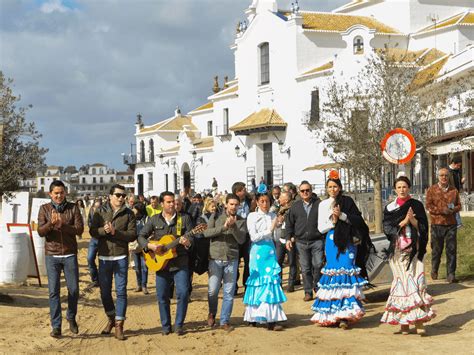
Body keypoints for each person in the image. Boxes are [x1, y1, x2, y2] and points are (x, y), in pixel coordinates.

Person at [310, 171, 370, 329]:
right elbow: (321, 228)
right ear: (326, 188)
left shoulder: (347, 201)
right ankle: (333, 313)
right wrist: (334, 222)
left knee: (346, 273)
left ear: (340, 187)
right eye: (329, 187)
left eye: (335, 186)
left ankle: (346, 315)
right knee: (334, 275)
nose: (332, 189)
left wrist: (342, 216)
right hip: (331, 241)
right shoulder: (322, 205)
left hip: (348, 242)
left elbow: (358, 220)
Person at [381, 174, 435, 335]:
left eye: (404, 187)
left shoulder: (416, 205)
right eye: (399, 187)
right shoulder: (390, 208)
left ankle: (418, 322)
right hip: (397, 251)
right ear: (395, 190)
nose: (402, 190)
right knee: (401, 285)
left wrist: (412, 221)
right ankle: (404, 323)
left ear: (409, 188)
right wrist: (402, 223)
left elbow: (424, 227)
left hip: (415, 251)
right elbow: (387, 228)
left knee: (416, 284)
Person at [138, 191, 193, 336]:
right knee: (162, 296)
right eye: (168, 202)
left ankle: (179, 325)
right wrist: (150, 246)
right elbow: (141, 236)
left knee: (183, 293)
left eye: (173, 201)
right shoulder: (154, 219)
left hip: (180, 263)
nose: (172, 204)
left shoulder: (185, 218)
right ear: (162, 204)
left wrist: (187, 243)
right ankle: (165, 326)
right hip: (160, 264)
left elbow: (193, 239)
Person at [90, 184, 137, 341]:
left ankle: (119, 325)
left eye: (123, 195)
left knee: (121, 291)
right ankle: (111, 317)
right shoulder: (100, 211)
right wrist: (104, 231)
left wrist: (116, 232)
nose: (121, 198)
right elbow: (92, 231)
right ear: (110, 196)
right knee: (104, 293)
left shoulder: (129, 214)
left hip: (121, 257)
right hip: (104, 257)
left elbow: (132, 235)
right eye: (118, 195)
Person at [37, 180, 84, 338]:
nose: (59, 195)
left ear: (66, 193)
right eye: (56, 193)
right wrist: (51, 223)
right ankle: (56, 326)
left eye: (61, 192)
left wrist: (63, 224)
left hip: (69, 254)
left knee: (74, 289)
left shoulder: (73, 208)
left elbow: (79, 229)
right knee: (53, 292)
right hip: (52, 255)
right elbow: (40, 231)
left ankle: (71, 316)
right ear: (50, 194)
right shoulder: (44, 209)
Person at [202, 193, 247, 331]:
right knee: (213, 291)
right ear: (226, 204)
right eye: (231, 204)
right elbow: (206, 233)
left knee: (228, 292)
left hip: (231, 259)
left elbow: (241, 240)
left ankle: (224, 321)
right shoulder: (215, 216)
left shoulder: (241, 221)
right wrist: (224, 227)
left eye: (236, 205)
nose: (233, 207)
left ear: (239, 206)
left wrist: (233, 227)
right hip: (215, 258)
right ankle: (212, 312)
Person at [244, 193, 287, 331]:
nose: (265, 204)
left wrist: (279, 226)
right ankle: (253, 316)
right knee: (257, 282)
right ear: (257, 202)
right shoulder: (252, 216)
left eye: (267, 201)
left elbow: (276, 237)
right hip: (257, 253)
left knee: (270, 282)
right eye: (262, 201)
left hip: (270, 251)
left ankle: (270, 319)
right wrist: (269, 229)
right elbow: (254, 237)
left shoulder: (273, 216)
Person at [285, 181, 323, 301]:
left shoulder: (319, 204)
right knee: (305, 269)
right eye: (302, 191)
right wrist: (288, 238)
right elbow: (289, 224)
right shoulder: (295, 206)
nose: (305, 192)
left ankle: (317, 287)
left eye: (307, 190)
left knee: (317, 265)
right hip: (301, 242)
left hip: (317, 240)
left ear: (311, 191)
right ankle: (308, 292)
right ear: (299, 192)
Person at [426, 168, 461, 283]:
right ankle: (434, 269)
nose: (444, 177)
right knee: (437, 249)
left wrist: (453, 210)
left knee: (451, 249)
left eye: (446, 175)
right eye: (441, 175)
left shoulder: (454, 190)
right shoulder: (431, 190)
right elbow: (428, 206)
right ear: (438, 177)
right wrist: (442, 210)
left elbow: (459, 205)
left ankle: (451, 274)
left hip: (451, 224)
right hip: (437, 224)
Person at [232, 182, 256, 294]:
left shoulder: (249, 201)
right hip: (235, 236)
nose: (245, 191)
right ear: (237, 192)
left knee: (248, 262)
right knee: (235, 262)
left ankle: (247, 285)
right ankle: (234, 286)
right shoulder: (232, 203)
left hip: (247, 236)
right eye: (243, 189)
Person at [274, 191, 298, 292]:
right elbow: (277, 224)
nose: (279, 199)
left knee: (292, 263)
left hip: (291, 240)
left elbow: (298, 224)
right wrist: (278, 221)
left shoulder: (295, 209)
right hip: (280, 240)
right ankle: (278, 284)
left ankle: (291, 285)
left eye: (281, 197)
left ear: (287, 200)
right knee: (278, 262)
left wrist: (294, 237)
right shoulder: (279, 210)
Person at [130, 205, 149, 295]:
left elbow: (150, 231)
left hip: (144, 246)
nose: (133, 209)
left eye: (134, 208)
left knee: (144, 267)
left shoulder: (147, 219)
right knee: (137, 267)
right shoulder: (131, 218)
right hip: (134, 246)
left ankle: (144, 285)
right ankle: (139, 285)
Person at [87, 199, 102, 287]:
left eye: (98, 207)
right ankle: (95, 279)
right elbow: (89, 221)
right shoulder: (91, 212)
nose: (96, 209)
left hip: (103, 239)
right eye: (95, 207)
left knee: (102, 261)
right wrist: (92, 229)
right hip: (93, 238)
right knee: (90, 258)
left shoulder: (104, 213)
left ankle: (101, 280)